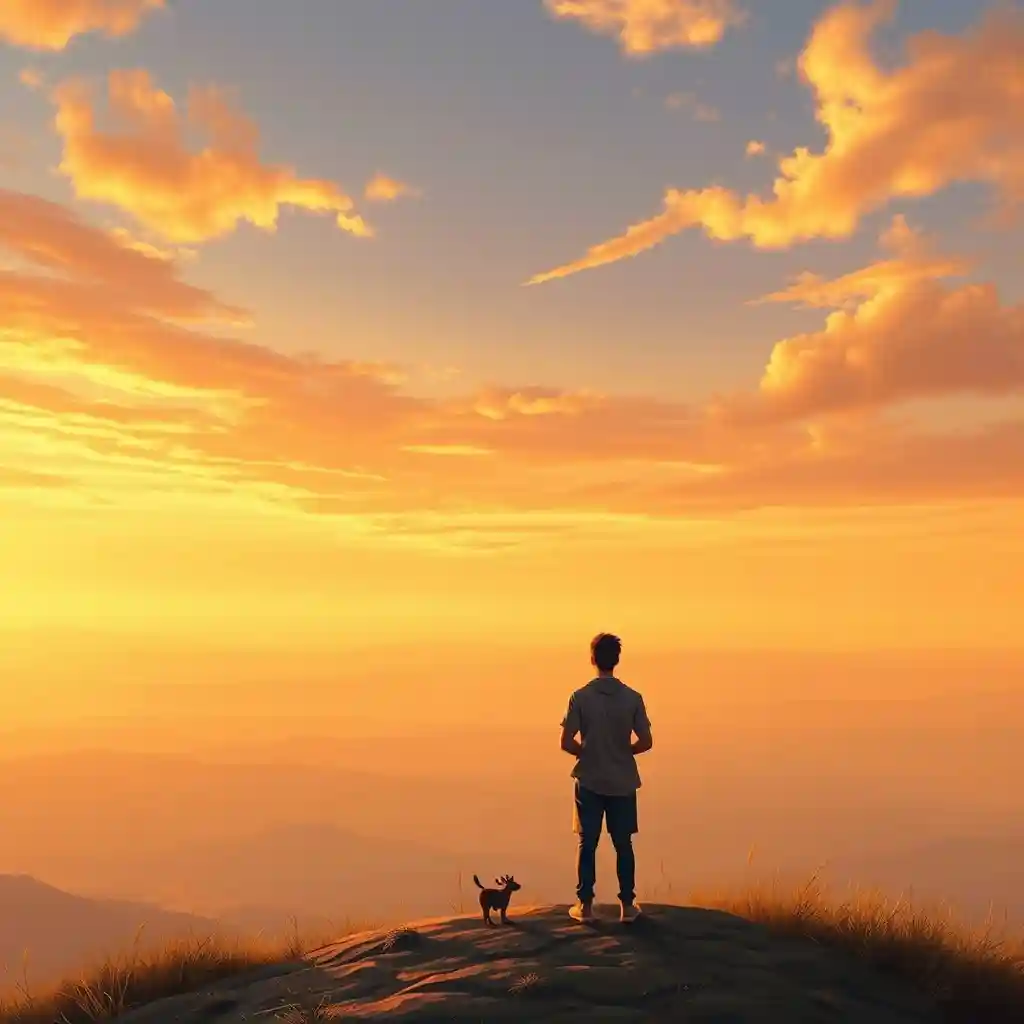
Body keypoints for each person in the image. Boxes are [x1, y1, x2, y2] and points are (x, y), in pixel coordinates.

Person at [559, 632, 653, 923]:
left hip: (589, 779)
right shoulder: (633, 698)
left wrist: (586, 754)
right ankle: (627, 905)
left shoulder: (580, 697)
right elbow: (646, 741)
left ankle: (585, 906)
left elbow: (566, 741)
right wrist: (624, 752)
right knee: (623, 844)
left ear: (592, 659)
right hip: (622, 780)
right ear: (618, 660)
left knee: (587, 843)